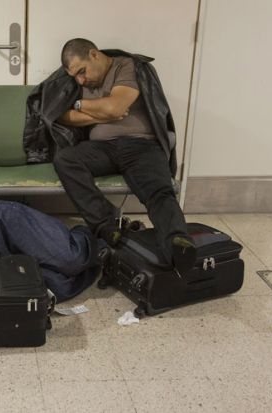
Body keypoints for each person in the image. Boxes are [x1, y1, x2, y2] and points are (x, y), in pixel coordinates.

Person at [52, 38, 196, 273]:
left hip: (141, 146)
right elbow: (62, 116)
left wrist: (98, 109)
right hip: (101, 149)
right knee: (66, 159)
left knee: (158, 191)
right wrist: (87, 107)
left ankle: (177, 242)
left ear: (94, 55)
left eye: (82, 71)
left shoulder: (126, 66)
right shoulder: (78, 82)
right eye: (75, 77)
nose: (80, 80)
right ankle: (107, 226)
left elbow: (116, 107)